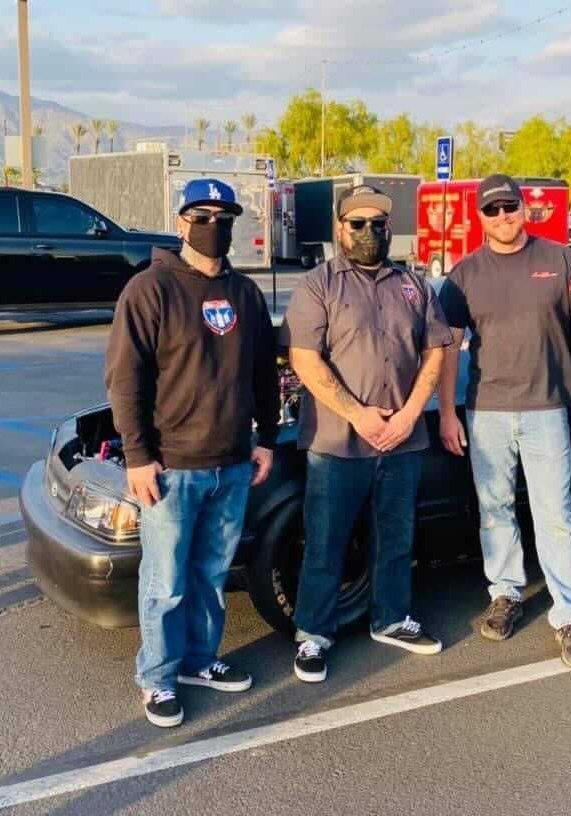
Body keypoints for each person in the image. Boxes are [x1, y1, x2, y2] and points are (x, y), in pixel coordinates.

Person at [105, 178, 278, 728]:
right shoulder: (150, 289)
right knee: (166, 582)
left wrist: (266, 437)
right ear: (181, 222)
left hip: (231, 464)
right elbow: (125, 379)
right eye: (201, 216)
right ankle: (158, 678)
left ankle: (201, 662)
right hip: (172, 468)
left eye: (223, 216)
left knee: (210, 574)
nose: (213, 226)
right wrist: (137, 456)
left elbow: (261, 374)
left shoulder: (246, 294)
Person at [437, 174, 571, 670]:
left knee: (554, 513)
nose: (502, 216)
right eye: (491, 210)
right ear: (480, 216)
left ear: (524, 209)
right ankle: (507, 592)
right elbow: (448, 347)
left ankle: (570, 615)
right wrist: (447, 411)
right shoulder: (464, 274)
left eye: (509, 206)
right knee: (494, 509)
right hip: (486, 409)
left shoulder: (558, 259)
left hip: (546, 408)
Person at [283, 185, 451, 683]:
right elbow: (304, 359)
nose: (368, 232)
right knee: (326, 540)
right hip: (337, 441)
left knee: (396, 537)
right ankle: (314, 633)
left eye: (378, 224)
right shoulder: (317, 285)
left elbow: (435, 351)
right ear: (340, 228)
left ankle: (392, 618)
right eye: (357, 223)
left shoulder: (413, 285)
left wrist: (409, 415)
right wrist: (358, 415)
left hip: (403, 439)